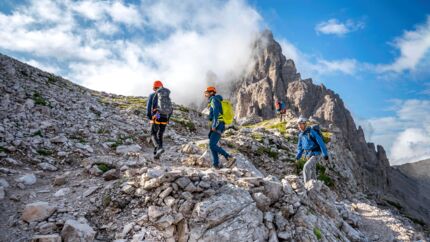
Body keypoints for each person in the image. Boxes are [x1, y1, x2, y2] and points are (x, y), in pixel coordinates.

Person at [205, 86, 235, 169]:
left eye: (207, 92)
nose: (205, 94)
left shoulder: (214, 100)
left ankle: (228, 157)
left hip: (218, 123)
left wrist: (214, 125)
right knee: (212, 144)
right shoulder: (214, 100)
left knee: (212, 145)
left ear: (211, 92)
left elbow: (216, 113)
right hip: (219, 123)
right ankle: (216, 164)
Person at [295, 116, 329, 185]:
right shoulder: (301, 135)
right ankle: (315, 187)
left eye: (301, 124)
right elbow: (300, 147)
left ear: (304, 124)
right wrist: (298, 157)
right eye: (298, 125)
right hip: (308, 155)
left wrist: (325, 154)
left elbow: (321, 143)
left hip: (316, 154)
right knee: (313, 171)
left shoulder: (312, 132)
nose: (299, 126)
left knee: (306, 167)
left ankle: (307, 187)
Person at [146, 80, 173, 159]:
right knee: (160, 134)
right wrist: (168, 119)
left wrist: (150, 117)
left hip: (157, 115)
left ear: (154, 88)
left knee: (153, 133)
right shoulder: (166, 96)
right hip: (165, 116)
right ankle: (157, 153)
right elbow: (171, 108)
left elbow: (148, 109)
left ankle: (159, 148)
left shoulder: (152, 95)